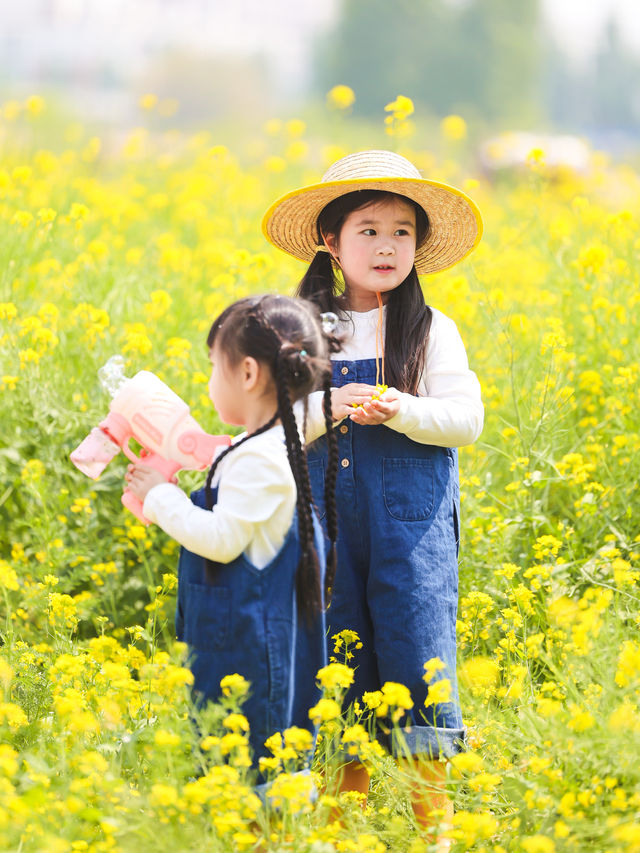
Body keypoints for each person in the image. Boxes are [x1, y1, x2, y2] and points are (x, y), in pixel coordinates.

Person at [262, 150, 484, 842]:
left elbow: (466, 419)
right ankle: (344, 826)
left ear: (419, 247)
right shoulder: (299, 330)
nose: (386, 246)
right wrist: (329, 409)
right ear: (330, 242)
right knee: (339, 659)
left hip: (410, 531)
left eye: (402, 232)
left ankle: (433, 829)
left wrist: (403, 408)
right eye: (368, 229)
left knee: (419, 656)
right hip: (325, 525)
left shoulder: (429, 329)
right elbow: (269, 426)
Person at [124, 294, 339, 776]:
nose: (207, 384)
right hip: (233, 639)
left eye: (212, 369)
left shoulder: (263, 459)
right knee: (233, 762)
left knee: (251, 769)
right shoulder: (262, 444)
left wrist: (162, 498)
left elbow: (222, 539)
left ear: (247, 374)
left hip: (248, 652)